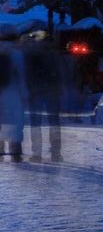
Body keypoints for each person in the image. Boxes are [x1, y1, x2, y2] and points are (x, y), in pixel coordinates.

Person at [20, 31, 63, 163]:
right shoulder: (54, 54)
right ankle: (56, 153)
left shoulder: (31, 55)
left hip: (36, 93)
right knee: (54, 123)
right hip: (52, 93)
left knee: (36, 124)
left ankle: (37, 153)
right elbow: (60, 73)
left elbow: (27, 74)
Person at [0, 31, 27, 162]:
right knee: (16, 121)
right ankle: (15, 151)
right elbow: (21, 75)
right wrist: (24, 93)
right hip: (12, 93)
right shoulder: (17, 54)